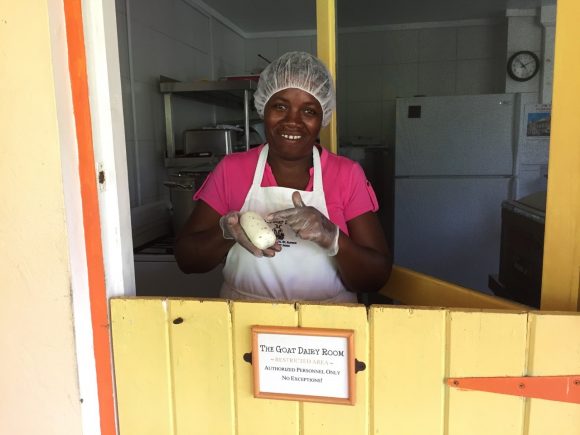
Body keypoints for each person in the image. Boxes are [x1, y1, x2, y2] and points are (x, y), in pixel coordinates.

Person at [174, 51, 392, 302]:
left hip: (327, 327)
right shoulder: (232, 170)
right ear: (263, 109)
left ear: (323, 119)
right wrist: (225, 233)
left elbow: (375, 278)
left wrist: (333, 237)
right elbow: (187, 260)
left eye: (309, 111)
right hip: (245, 323)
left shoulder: (346, 174)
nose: (292, 121)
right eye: (280, 106)